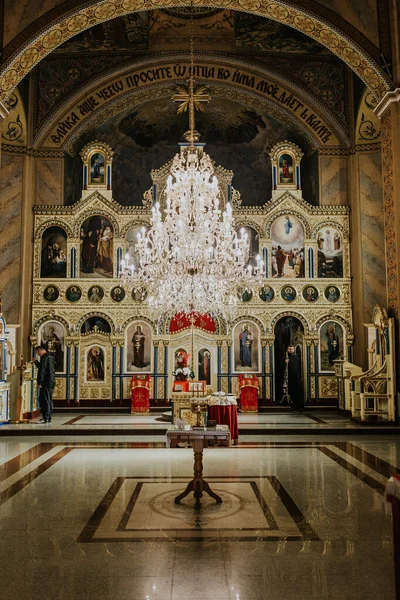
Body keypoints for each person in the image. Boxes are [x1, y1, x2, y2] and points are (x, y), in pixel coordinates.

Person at [34, 346, 56, 423]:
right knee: (49, 399)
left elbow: (42, 370)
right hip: (51, 381)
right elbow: (46, 368)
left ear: (40, 350)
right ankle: (49, 417)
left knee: (44, 400)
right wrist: (36, 362)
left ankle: (45, 418)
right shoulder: (51, 357)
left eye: (38, 353)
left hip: (46, 381)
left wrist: (39, 382)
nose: (38, 354)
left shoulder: (44, 357)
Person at [286, 346, 304, 412]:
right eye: (289, 349)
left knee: (297, 390)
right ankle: (292, 403)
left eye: (292, 349)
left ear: (294, 350)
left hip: (296, 377)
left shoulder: (295, 357)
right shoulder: (285, 357)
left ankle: (299, 405)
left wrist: (289, 361)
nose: (290, 350)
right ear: (287, 350)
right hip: (289, 377)